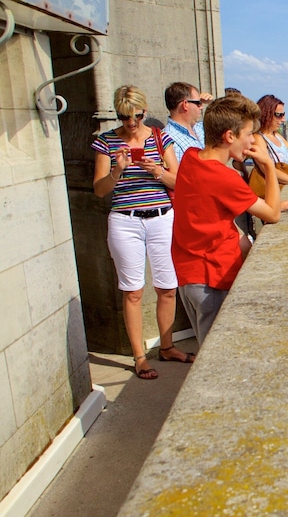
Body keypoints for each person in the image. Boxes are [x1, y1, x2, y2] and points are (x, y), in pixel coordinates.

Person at [92, 85, 194, 379]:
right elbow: (99, 190)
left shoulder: (161, 138)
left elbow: (180, 183)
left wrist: (158, 172)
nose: (131, 123)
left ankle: (167, 346)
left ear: (145, 112)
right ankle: (140, 357)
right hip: (126, 221)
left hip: (162, 217)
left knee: (167, 287)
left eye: (136, 116)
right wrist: (117, 170)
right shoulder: (106, 142)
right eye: (124, 117)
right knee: (133, 291)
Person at [172, 94, 283, 345]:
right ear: (229, 136)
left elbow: (210, 203)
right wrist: (267, 165)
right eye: (248, 134)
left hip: (189, 274)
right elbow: (273, 214)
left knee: (206, 349)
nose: (252, 141)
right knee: (217, 353)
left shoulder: (191, 157)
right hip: (214, 276)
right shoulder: (224, 177)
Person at [162, 82, 214, 162]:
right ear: (185, 104)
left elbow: (232, 124)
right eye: (199, 103)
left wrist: (213, 104)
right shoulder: (169, 140)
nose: (202, 107)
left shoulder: (200, 127)